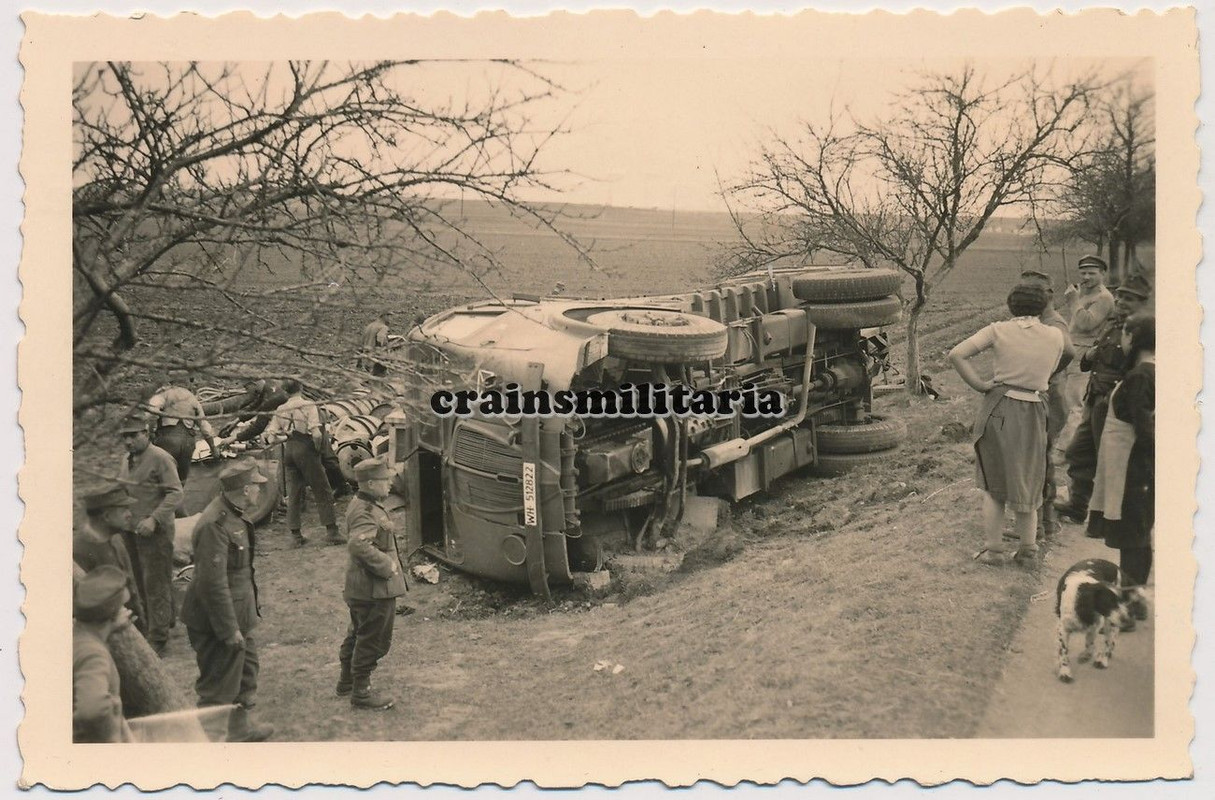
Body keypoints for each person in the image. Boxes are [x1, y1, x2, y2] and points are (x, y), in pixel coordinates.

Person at [949, 284, 1065, 566]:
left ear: (1011, 306)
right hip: (1036, 408)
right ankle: (1028, 550)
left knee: (994, 484)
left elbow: (956, 354)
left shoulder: (997, 330)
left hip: (1001, 406)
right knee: (1029, 479)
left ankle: (994, 551)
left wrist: (980, 385)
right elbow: (1052, 368)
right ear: (1043, 307)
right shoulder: (1055, 335)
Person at [179, 461, 275, 742]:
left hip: (236, 613)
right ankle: (209, 746)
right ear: (245, 490)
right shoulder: (215, 524)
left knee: (245, 672)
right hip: (216, 620)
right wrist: (228, 629)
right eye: (257, 485)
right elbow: (213, 583)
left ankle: (239, 730)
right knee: (217, 686)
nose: (260, 490)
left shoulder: (234, 514)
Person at [1055, 274, 1152, 525]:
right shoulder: (1113, 325)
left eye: (1128, 298)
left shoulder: (1142, 330)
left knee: (1109, 460)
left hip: (1114, 402)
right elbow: (1090, 361)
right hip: (1095, 396)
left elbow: (1141, 372)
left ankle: (1111, 517)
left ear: (1142, 302)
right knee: (1079, 452)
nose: (1120, 301)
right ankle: (1078, 506)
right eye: (1119, 296)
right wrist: (1090, 354)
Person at [1087, 313, 1155, 628]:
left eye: (1125, 334)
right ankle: (1136, 600)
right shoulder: (1151, 372)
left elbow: (1145, 428)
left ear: (1135, 338)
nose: (1122, 341)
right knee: (1138, 535)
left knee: (1133, 539)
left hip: (1132, 469)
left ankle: (1128, 607)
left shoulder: (1140, 376)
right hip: (1135, 468)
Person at [338, 457, 407, 711]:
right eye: (384, 480)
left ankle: (347, 681)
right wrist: (387, 565)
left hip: (362, 586)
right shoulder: (366, 510)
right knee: (374, 638)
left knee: (358, 632)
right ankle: (362, 692)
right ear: (369, 483)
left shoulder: (366, 504)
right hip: (374, 588)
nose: (389, 483)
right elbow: (358, 545)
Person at [116, 413, 183, 655]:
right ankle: (166, 620)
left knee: (155, 583)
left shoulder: (160, 458)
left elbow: (176, 493)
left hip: (155, 531)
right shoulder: (127, 459)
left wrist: (154, 519)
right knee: (141, 580)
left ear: (147, 434)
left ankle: (158, 638)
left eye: (133, 435)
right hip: (131, 530)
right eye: (125, 437)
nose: (128, 441)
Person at [1019, 269, 1076, 538]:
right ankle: (1044, 523)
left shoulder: (1053, 322)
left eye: (1034, 291)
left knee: (1040, 461)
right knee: (1038, 461)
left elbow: (1068, 351)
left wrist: (1046, 373)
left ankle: (1042, 525)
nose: (1028, 296)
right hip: (1042, 400)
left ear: (1049, 295)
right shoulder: (1035, 320)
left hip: (1051, 400)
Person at [260, 378, 342, 546]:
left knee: (294, 492)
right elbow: (317, 433)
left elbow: (270, 436)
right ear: (301, 387)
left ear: (285, 391)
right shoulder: (308, 405)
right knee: (322, 489)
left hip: (289, 450)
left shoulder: (280, 409)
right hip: (306, 449)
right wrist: (317, 449)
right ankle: (332, 531)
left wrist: (286, 436)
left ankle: (295, 535)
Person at [73, 565, 136, 743]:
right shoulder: (93, 653)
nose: (126, 611)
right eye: (122, 607)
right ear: (112, 615)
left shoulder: (78, 638)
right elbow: (92, 711)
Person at [1059, 255, 1116, 448]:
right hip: (1071, 347)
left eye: (1092, 273)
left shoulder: (1104, 298)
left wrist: (1073, 301)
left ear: (1102, 274)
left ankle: (1065, 449)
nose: (1086, 277)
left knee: (1076, 400)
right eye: (1083, 272)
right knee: (1064, 397)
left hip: (1083, 351)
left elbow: (1086, 323)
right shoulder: (1085, 293)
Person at [75, 483, 146, 635]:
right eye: (123, 510)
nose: (129, 514)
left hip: (131, 629)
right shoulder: (79, 552)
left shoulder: (117, 540)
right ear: (106, 516)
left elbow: (131, 586)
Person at [146, 370, 218, 482]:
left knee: (162, 479)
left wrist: (151, 432)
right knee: (180, 481)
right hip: (188, 443)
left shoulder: (164, 394)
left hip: (167, 440)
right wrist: (213, 448)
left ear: (171, 381)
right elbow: (205, 427)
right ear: (187, 382)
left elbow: (152, 412)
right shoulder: (192, 399)